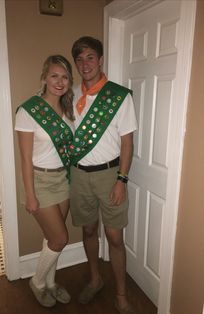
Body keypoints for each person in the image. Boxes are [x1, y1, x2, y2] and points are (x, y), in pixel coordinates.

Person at [69, 36, 138, 314]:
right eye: (79, 58)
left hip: (110, 175)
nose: (85, 64)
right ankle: (95, 279)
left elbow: (127, 142)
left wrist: (122, 179)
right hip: (79, 175)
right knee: (88, 229)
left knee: (115, 238)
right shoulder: (70, 94)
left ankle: (121, 295)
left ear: (100, 59)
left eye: (90, 57)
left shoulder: (118, 96)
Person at [15, 55, 74, 308]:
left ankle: (51, 283)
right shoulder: (29, 111)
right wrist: (30, 195)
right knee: (60, 238)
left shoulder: (68, 110)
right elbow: (25, 160)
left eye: (65, 77)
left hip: (63, 178)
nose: (59, 81)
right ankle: (37, 282)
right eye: (54, 75)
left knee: (52, 238)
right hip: (40, 181)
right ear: (44, 78)